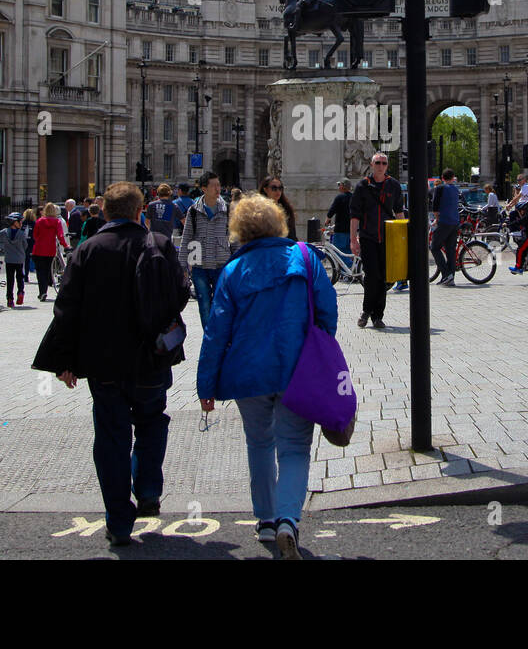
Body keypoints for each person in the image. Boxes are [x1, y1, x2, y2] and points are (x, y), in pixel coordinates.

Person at [33, 181, 190, 546]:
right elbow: (181, 294)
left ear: (103, 212)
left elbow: (66, 309)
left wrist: (66, 359)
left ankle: (119, 522)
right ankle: (148, 487)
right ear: (141, 212)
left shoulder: (87, 249)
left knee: (111, 437)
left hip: (103, 363)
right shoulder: (161, 245)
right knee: (153, 420)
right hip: (152, 356)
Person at [197, 194, 337, 559]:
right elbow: (328, 311)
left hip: (248, 374)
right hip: (297, 370)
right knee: (294, 448)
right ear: (280, 223)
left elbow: (216, 332)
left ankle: (265, 521)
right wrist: (318, 349)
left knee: (259, 444)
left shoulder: (231, 272)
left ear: (240, 230)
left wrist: (205, 385)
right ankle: (289, 518)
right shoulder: (306, 258)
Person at [350, 152, 404, 328]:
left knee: (384, 278)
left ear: (387, 166)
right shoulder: (362, 186)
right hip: (368, 237)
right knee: (372, 276)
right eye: (378, 163)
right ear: (371, 165)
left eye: (384, 163)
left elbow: (399, 213)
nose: (381, 166)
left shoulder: (394, 186)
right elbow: (355, 216)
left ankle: (377, 315)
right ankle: (367, 311)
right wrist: (353, 240)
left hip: (388, 237)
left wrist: (402, 239)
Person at [180, 171, 230, 330]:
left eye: (219, 185)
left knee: (221, 304)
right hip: (199, 266)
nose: (218, 189)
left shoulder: (227, 209)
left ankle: (218, 337)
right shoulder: (193, 211)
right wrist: (182, 266)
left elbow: (234, 238)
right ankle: (209, 338)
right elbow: (186, 237)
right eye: (213, 186)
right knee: (204, 306)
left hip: (221, 264)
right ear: (204, 188)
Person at [0, 212, 28, 307]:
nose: (21, 223)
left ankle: (9, 299)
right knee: (20, 278)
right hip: (19, 259)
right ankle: (20, 292)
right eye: (20, 222)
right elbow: (25, 245)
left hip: (9, 259)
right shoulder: (21, 233)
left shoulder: (5, 232)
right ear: (14, 222)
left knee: (10, 279)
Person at [32, 202, 70, 302]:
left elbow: (35, 235)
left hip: (39, 249)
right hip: (50, 249)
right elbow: (60, 236)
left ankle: (42, 292)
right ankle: (45, 290)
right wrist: (66, 245)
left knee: (40, 272)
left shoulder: (39, 221)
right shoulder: (57, 222)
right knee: (48, 270)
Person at [429, 169, 461, 285]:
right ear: (453, 177)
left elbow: (435, 206)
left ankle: (446, 274)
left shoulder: (440, 188)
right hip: (455, 222)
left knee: (434, 247)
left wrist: (436, 220)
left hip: (444, 221)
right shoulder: (456, 190)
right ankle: (450, 276)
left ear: (442, 177)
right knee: (450, 250)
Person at [508, 172, 528, 274]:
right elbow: (517, 197)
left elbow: (518, 198)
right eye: (517, 180)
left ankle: (519, 267)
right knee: (521, 242)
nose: (518, 182)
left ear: (524, 180)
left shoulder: (526, 187)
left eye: (520, 179)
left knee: (521, 249)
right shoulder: (524, 188)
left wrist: (509, 205)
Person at [326, 179, 354, 265]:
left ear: (343, 186)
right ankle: (348, 274)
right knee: (348, 252)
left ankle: (348, 267)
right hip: (351, 230)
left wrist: (328, 219)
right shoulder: (354, 197)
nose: (338, 187)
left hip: (340, 230)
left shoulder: (340, 197)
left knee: (338, 252)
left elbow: (332, 211)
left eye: (339, 185)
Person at [22, 207, 37, 274]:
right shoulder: (34, 223)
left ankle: (23, 273)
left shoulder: (22, 223)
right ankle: (26, 275)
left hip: (23, 242)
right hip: (31, 243)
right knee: (28, 259)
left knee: (23, 259)